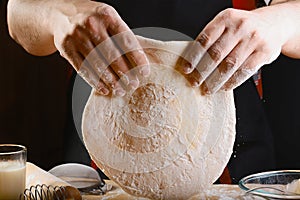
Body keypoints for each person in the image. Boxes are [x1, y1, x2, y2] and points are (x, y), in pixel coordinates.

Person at [7, 0, 300, 183]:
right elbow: (18, 14)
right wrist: (60, 17)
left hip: (233, 163)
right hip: (101, 160)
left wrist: (279, 22)